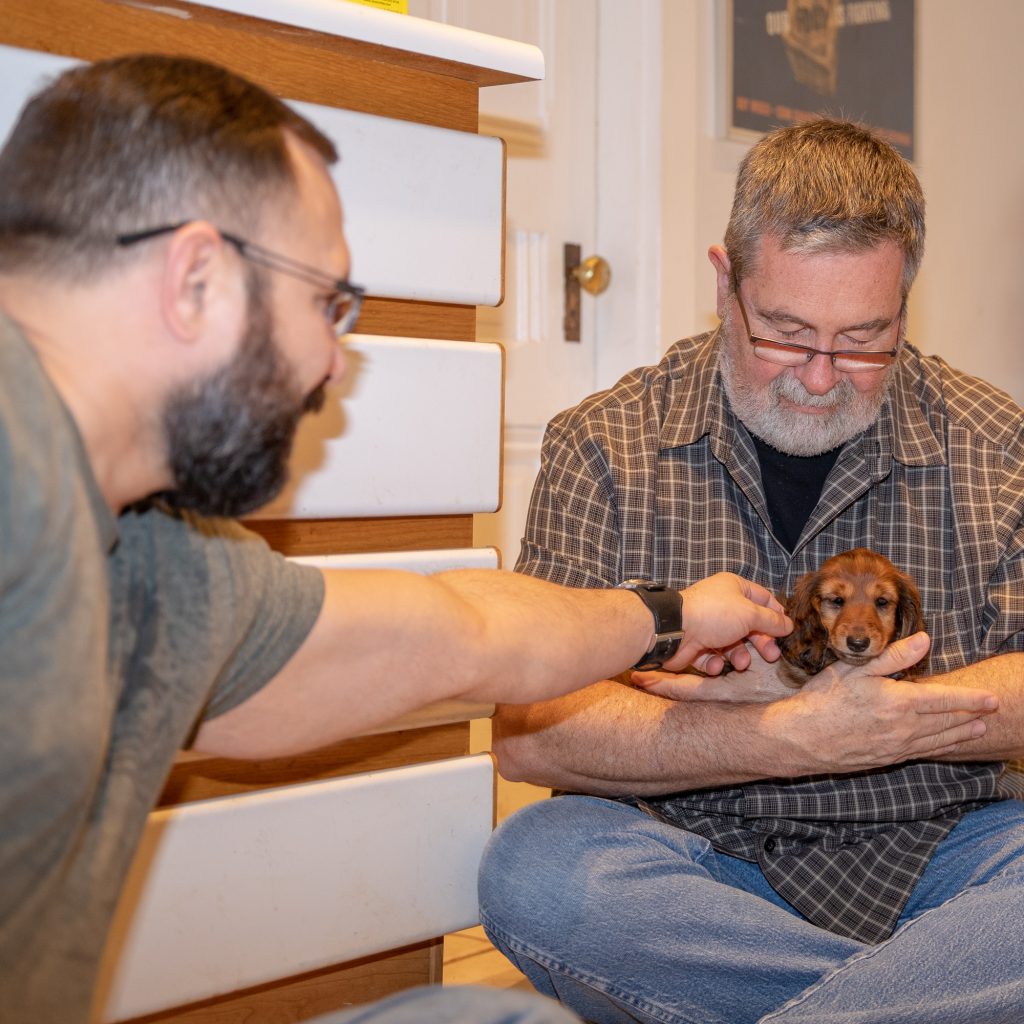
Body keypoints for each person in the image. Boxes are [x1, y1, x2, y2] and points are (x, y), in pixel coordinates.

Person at [0, 54, 808, 1024]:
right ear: (198, 278)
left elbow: (458, 627)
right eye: (325, 303)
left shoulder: (154, 560)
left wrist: (667, 615)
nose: (335, 364)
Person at [478, 118, 1024, 1024]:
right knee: (536, 866)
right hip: (692, 865)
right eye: (784, 331)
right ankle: (930, 993)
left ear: (904, 305)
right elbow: (533, 732)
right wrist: (784, 734)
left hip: (950, 854)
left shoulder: (999, 446)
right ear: (725, 281)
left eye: (863, 339)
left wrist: (889, 723)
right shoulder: (603, 445)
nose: (819, 377)